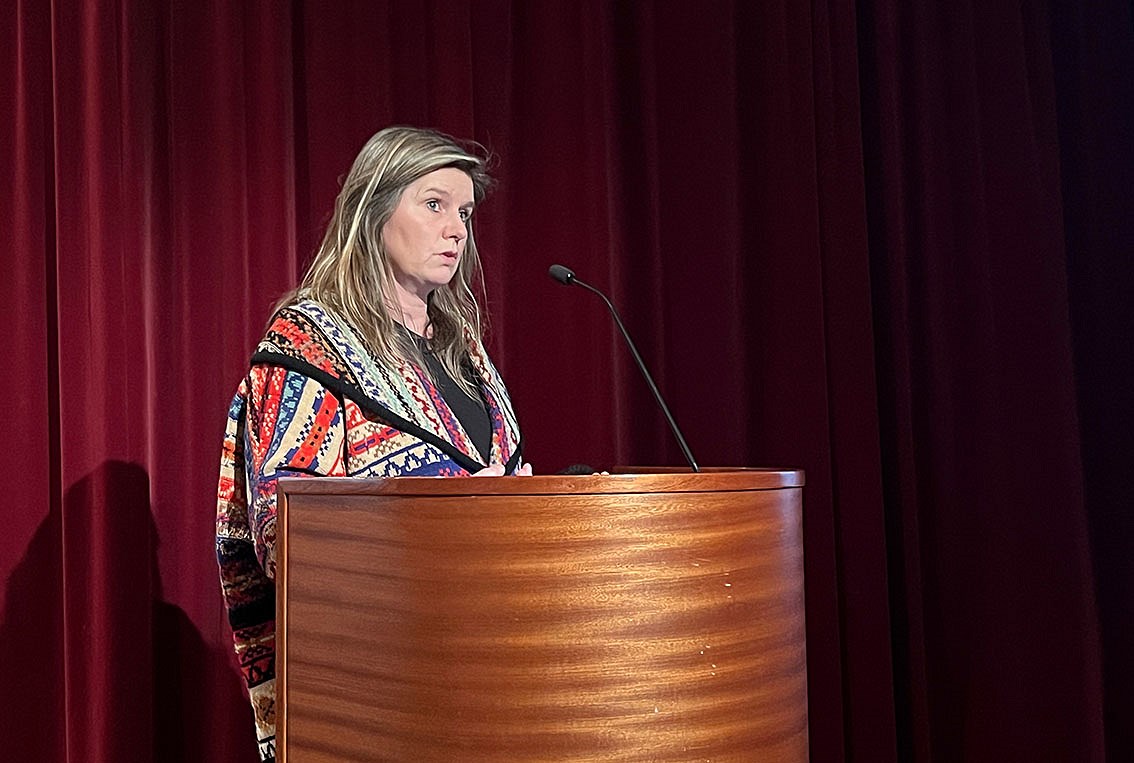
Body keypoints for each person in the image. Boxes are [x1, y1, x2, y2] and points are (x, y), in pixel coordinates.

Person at [214, 126, 530, 762]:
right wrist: (452, 522)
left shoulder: (464, 353)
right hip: (374, 693)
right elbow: (286, 533)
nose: (456, 231)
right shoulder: (309, 345)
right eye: (434, 204)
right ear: (374, 210)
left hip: (494, 670)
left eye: (465, 213)